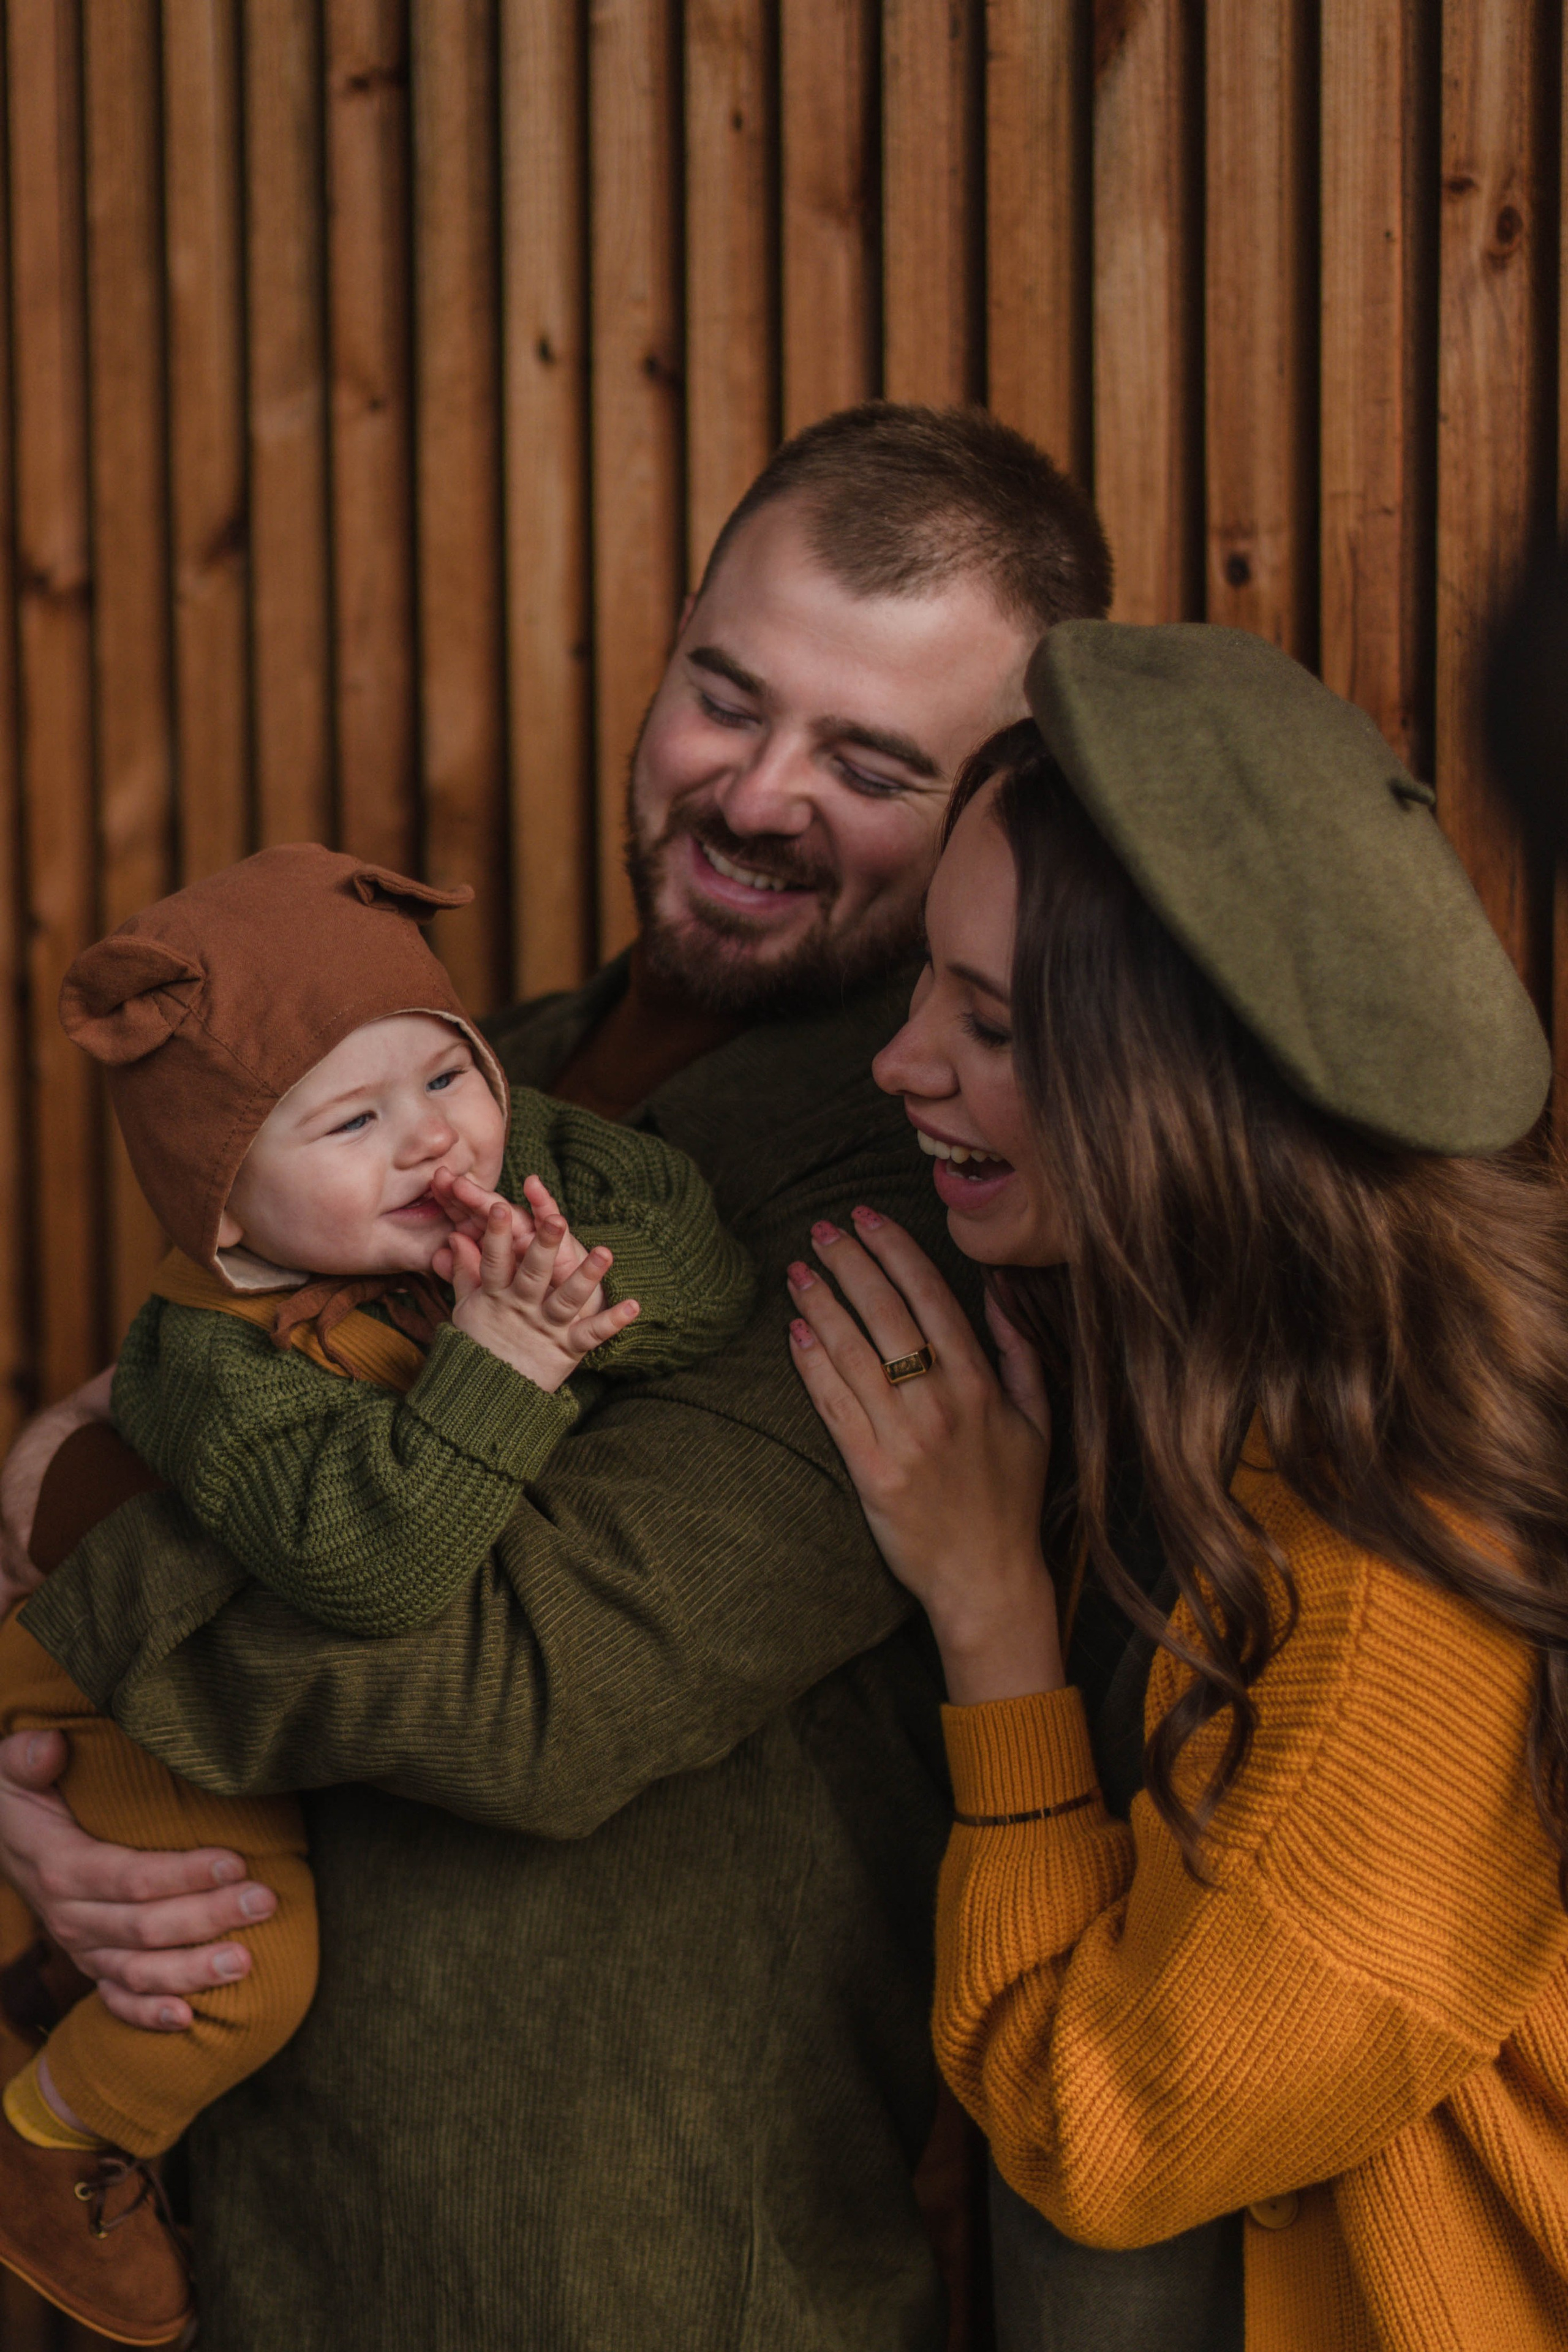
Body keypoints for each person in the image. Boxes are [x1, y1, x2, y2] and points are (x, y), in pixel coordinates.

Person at [0, 403, 1112, 2351]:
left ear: (996, 812)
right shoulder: (458, 1064)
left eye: (872, 767)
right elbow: (203, 1405)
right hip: (241, 2242)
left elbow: (522, 1697)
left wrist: (67, 1524)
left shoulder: (926, 1188)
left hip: (605, 2271)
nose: (757, 796)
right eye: (727, 699)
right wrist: (40, 1788)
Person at [786, 620, 1568, 2349]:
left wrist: (990, 1613)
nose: (901, 1061)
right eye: (925, 982)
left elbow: (1104, 2132)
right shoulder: (1224, 1366)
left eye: (991, 1024)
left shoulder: (1401, 1593)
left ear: (1188, 1098)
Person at [0, 844, 753, 2343]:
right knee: (237, 1978)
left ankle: (43, 2006)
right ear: (226, 1206)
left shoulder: (486, 1163)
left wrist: (561, 1262)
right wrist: (512, 1355)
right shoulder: (207, 1360)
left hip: (211, 1660)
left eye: (447, 1074)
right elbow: (371, 1567)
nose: (430, 1142)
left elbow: (701, 1270)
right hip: (109, 1694)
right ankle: (47, 2141)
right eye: (351, 1122)